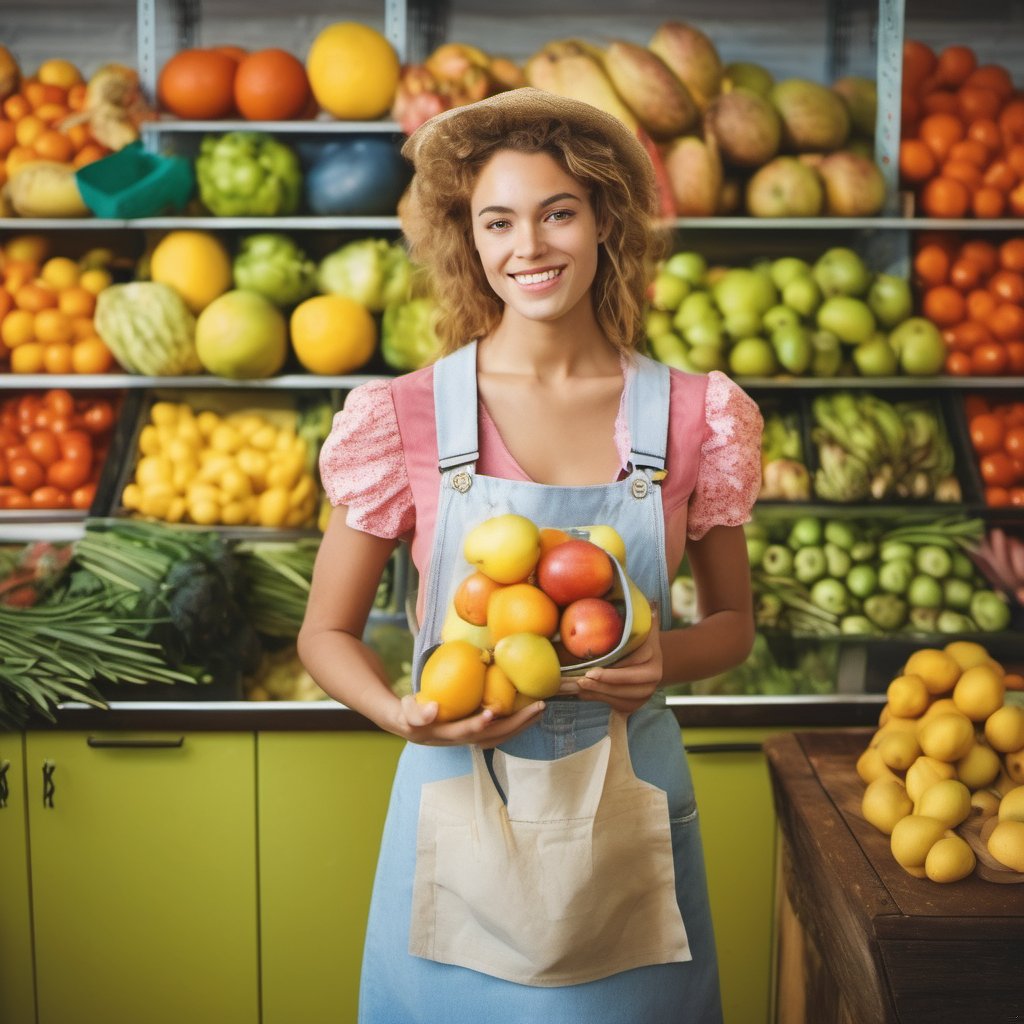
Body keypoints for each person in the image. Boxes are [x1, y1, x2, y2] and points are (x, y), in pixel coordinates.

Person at [298, 87, 763, 1024]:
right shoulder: (405, 418)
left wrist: (663, 658)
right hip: (456, 794)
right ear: (467, 238)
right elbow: (325, 633)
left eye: (558, 213)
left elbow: (734, 626)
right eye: (497, 220)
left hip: (627, 804)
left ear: (603, 222)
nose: (530, 247)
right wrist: (403, 711)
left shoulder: (691, 416)